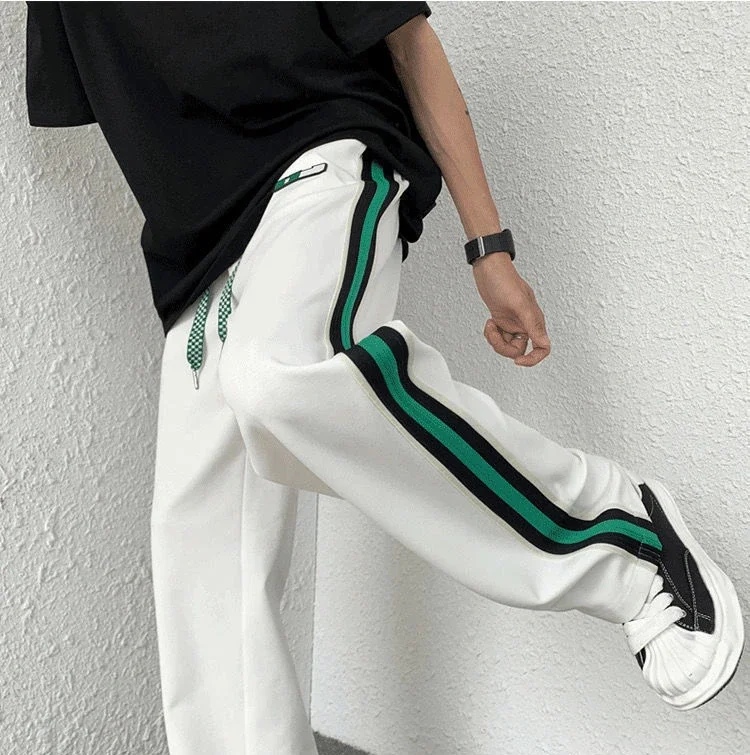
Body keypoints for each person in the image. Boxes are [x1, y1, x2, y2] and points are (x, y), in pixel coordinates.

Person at [24, 2, 743, 754]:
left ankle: (627, 540)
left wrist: (489, 248)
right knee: (199, 536)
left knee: (278, 374)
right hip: (203, 252)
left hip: (317, 161)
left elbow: (408, 41)